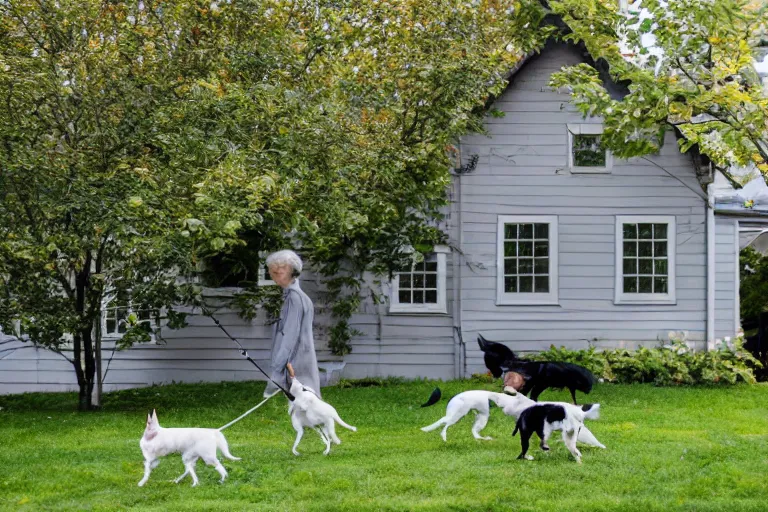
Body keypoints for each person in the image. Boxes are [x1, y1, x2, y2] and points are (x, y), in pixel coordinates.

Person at [263, 249, 321, 398]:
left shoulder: (294, 298)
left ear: (290, 272)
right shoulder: (294, 296)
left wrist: (279, 365)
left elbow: (290, 334)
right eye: (272, 272)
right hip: (298, 355)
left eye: (277, 272)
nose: (273, 275)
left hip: (295, 358)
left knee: (302, 396)